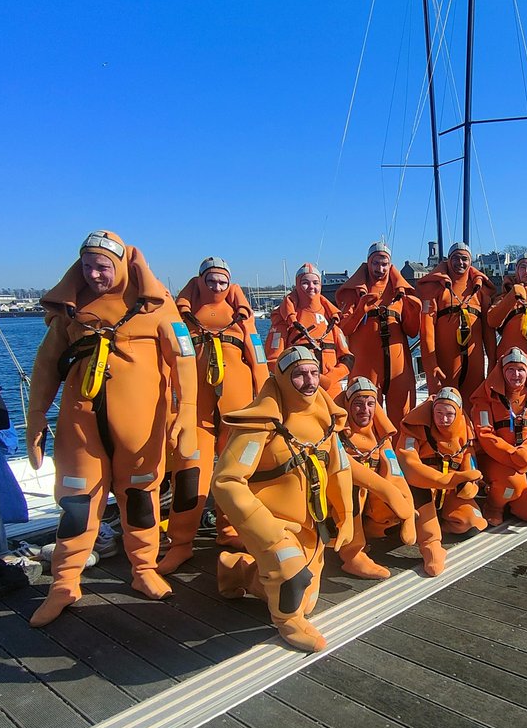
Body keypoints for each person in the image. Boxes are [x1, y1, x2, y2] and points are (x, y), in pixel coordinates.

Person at [25, 231, 198, 627]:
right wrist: (36, 417)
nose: (94, 274)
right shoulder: (72, 307)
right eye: (87, 266)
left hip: (140, 428)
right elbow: (47, 364)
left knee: (140, 497)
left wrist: (185, 413)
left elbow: (184, 358)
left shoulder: (156, 304)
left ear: (120, 265)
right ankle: (64, 582)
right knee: (76, 504)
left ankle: (143, 570)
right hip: (81, 427)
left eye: (102, 267)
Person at [210, 345, 354, 652]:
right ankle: (287, 623)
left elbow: (339, 467)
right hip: (272, 522)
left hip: (310, 525)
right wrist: (267, 530)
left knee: (308, 598)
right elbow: (226, 481)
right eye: (299, 375)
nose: (310, 381)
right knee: (290, 574)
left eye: (314, 373)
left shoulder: (326, 419)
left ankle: (236, 569)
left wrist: (346, 514)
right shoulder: (261, 422)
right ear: (283, 378)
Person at [160, 257, 269, 573]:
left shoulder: (242, 319)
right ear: (200, 281)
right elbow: (168, 363)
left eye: (222, 282)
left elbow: (258, 361)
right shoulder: (181, 319)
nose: (217, 287)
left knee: (235, 477)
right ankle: (180, 543)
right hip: (196, 415)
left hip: (238, 413)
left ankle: (229, 531)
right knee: (189, 476)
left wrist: (265, 406)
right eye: (211, 281)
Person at [397, 387, 487, 576]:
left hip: (449, 491)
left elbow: (469, 465)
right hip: (422, 488)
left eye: (449, 414)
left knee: (472, 523)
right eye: (439, 413)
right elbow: (409, 464)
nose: (444, 419)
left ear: (458, 413)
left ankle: (441, 521)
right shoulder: (415, 427)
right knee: (433, 562)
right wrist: (445, 480)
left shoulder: (465, 431)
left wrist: (468, 488)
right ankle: (431, 543)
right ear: (432, 411)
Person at [335, 377, 417, 579]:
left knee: (396, 496)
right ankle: (353, 555)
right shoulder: (336, 433)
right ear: (347, 405)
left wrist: (406, 509)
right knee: (351, 491)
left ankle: (373, 531)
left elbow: (394, 470)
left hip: (370, 498)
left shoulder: (380, 435)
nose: (365, 409)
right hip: (341, 499)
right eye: (358, 403)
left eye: (370, 404)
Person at [470, 348, 527, 525]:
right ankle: (494, 505)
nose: (516, 374)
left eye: (520, 370)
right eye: (510, 369)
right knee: (512, 485)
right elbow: (484, 433)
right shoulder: (485, 398)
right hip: (497, 459)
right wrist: (511, 455)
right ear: (502, 372)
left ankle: (511, 497)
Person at [336, 243, 422, 419]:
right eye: (376, 263)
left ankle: (398, 448)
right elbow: (343, 329)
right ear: (368, 263)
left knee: (402, 417)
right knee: (364, 417)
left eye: (384, 264)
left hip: (398, 368)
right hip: (365, 365)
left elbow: (412, 332)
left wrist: (415, 312)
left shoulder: (401, 292)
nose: (380, 268)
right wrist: (360, 309)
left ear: (390, 264)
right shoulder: (353, 292)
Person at [417, 242, 496, 412]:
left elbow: (488, 332)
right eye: (456, 258)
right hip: (445, 365)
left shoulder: (480, 290)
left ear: (470, 262)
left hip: (474, 362)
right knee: (444, 409)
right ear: (448, 260)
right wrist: (431, 365)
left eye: (464, 259)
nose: (460, 263)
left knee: (474, 405)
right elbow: (426, 331)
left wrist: (493, 361)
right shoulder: (435, 289)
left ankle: (472, 438)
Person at [264, 263, 352, 392]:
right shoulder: (283, 320)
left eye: (315, 283)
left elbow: (347, 358)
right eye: (305, 282)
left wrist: (330, 378)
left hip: (331, 390)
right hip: (299, 391)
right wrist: (303, 377)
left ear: (320, 286)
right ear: (297, 285)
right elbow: (273, 361)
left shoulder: (331, 318)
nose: (311, 287)